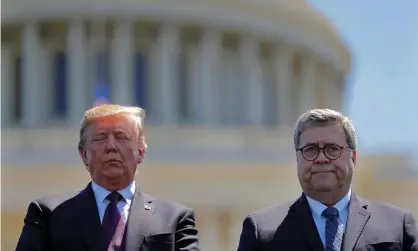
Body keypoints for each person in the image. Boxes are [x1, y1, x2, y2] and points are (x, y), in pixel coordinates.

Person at [16, 104, 200, 251]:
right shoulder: (49, 215)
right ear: (84, 154)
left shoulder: (174, 218)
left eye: (121, 137)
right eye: (100, 138)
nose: (111, 146)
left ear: (141, 152)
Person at [237, 109, 418, 251]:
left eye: (332, 149)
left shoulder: (397, 225)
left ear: (353, 158)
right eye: (310, 149)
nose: (321, 158)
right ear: (297, 159)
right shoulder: (262, 230)